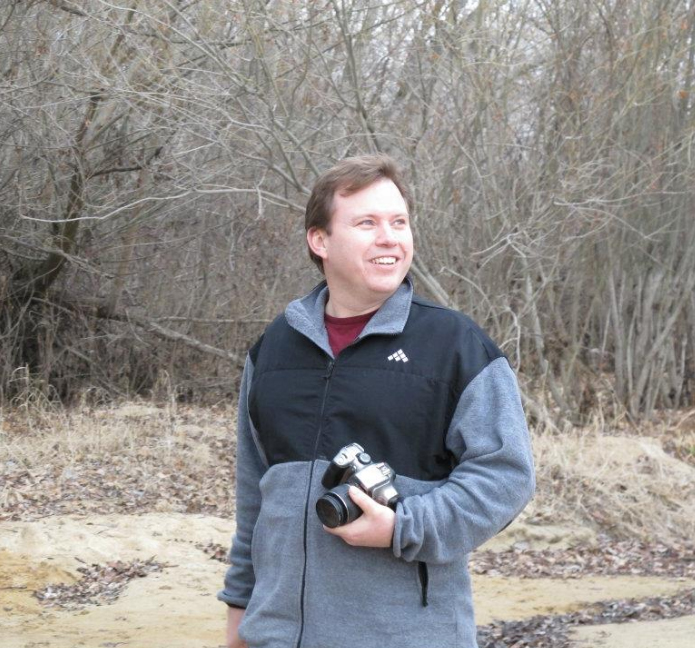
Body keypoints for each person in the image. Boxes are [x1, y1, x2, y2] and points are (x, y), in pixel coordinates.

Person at [218, 154, 535, 648]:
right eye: (367, 223)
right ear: (319, 240)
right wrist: (240, 624)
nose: (389, 237)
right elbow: (256, 502)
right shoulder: (274, 349)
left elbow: (507, 475)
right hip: (277, 637)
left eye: (399, 222)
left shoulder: (455, 346)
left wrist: (402, 527)